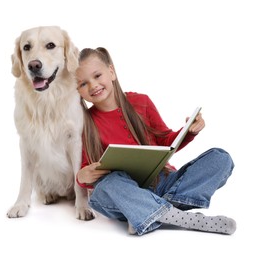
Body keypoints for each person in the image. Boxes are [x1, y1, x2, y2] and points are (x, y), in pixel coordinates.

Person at [75, 47, 236, 236]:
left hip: (161, 181)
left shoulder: (141, 101)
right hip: (122, 194)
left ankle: (145, 214)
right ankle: (179, 217)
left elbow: (165, 142)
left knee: (220, 158)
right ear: (77, 91)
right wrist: (82, 177)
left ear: (111, 71)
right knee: (108, 185)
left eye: (97, 75)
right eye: (83, 84)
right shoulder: (83, 122)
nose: (93, 85)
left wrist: (188, 132)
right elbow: (87, 169)